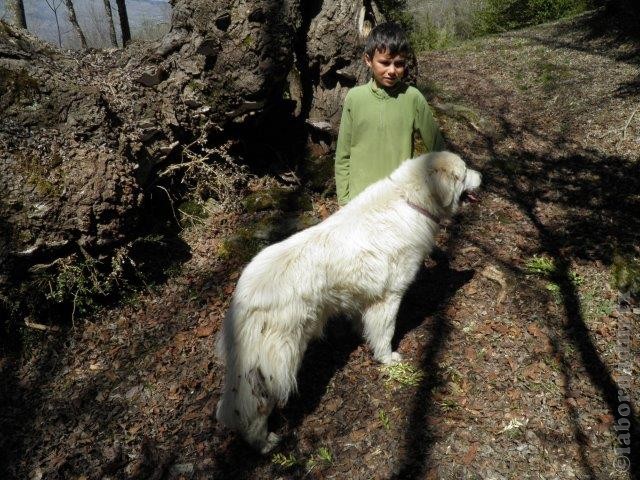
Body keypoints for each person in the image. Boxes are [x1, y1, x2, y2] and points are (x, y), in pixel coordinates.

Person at [334, 22, 445, 206]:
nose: (392, 71)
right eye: (385, 62)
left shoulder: (412, 98)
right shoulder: (355, 98)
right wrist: (344, 201)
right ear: (368, 60)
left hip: (399, 203)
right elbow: (343, 155)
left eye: (399, 64)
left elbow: (438, 149)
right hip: (359, 202)